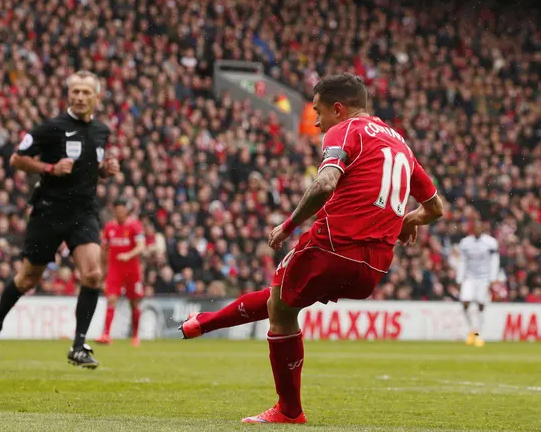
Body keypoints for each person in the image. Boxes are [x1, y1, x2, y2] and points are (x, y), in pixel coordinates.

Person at [180, 73, 444, 424]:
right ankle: (204, 323)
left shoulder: (347, 130)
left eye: (319, 112)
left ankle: (288, 410)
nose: (317, 122)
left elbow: (325, 183)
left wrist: (288, 226)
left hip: (334, 245)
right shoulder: (401, 145)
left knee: (282, 305)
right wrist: (410, 219)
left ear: (339, 108)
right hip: (376, 266)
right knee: (283, 299)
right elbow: (437, 208)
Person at [0, 70, 120, 369]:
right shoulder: (51, 128)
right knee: (28, 278)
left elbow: (90, 167)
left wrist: (105, 170)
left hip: (83, 212)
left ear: (97, 98)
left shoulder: (101, 131)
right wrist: (50, 168)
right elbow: (16, 159)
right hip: (49, 211)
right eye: (75, 91)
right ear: (68, 95)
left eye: (86, 92)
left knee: (93, 274)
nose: (80, 97)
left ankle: (79, 345)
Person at [95, 198, 146, 347]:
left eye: (122, 208)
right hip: (114, 270)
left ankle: (136, 336)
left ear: (126, 210)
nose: (120, 211)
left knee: (134, 303)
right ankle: (106, 335)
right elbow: (104, 250)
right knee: (111, 300)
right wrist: (102, 269)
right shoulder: (109, 228)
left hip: (132, 270)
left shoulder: (135, 226)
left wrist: (128, 255)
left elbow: (141, 246)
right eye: (117, 208)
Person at [455, 219, 499, 347]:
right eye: (475, 228)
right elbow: (462, 262)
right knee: (465, 301)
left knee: (481, 304)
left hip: (484, 278)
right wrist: (459, 279)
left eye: (480, 228)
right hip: (469, 277)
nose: (477, 230)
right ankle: (472, 331)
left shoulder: (490, 242)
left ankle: (478, 334)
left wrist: (493, 279)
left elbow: (494, 261)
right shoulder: (465, 243)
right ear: (472, 229)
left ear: (483, 229)